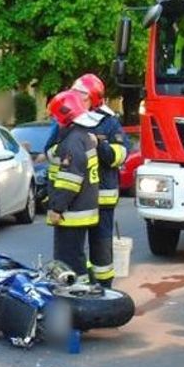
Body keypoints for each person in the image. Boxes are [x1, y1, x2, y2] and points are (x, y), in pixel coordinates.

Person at [70, 73, 127, 287]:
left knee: (101, 248)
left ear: (93, 98)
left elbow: (120, 154)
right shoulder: (67, 120)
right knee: (73, 250)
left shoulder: (109, 123)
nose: (76, 99)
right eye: (74, 94)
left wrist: (98, 145)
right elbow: (50, 151)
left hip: (102, 199)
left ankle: (104, 289)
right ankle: (78, 287)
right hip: (74, 199)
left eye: (82, 96)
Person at [45, 89, 99, 276]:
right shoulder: (83, 136)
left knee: (68, 261)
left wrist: (57, 208)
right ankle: (83, 290)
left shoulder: (72, 141)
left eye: (55, 117)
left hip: (71, 213)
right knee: (76, 257)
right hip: (82, 210)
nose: (55, 121)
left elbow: (70, 181)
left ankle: (78, 296)